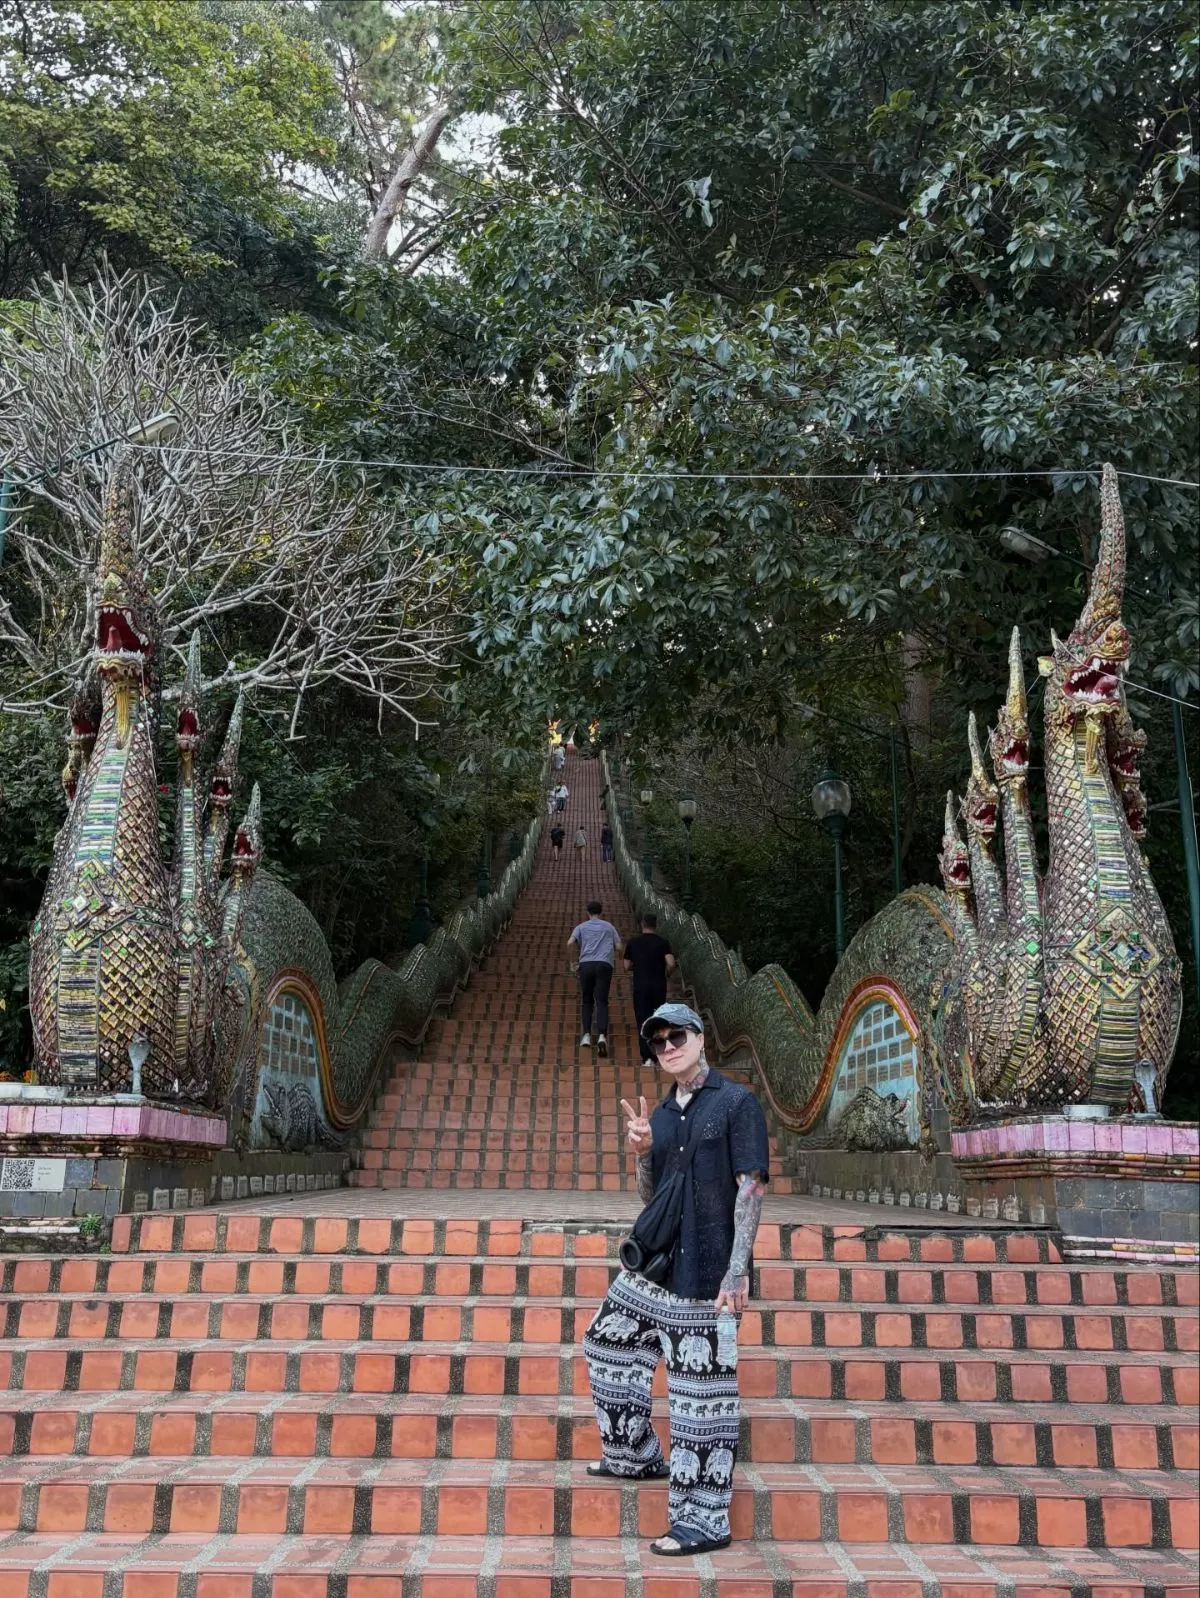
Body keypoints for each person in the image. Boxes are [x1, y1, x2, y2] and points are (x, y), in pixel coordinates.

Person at [582, 1003, 769, 1557]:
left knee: (698, 1398)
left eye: (676, 1035)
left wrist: (737, 1272)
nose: (667, 1046)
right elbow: (652, 1196)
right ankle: (634, 1453)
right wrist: (642, 1152)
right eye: (658, 1041)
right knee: (605, 1342)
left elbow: (751, 1189)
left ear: (700, 1036)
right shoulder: (660, 1114)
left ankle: (702, 1521)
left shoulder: (737, 1103)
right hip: (653, 1267)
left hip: (708, 1273)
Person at [567, 900, 622, 1055]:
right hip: (604, 964)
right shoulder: (609, 927)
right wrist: (618, 957)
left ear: (588, 913)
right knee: (602, 1000)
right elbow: (619, 946)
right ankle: (602, 1036)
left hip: (586, 964)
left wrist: (572, 963)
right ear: (601, 912)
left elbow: (570, 943)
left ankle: (586, 1035)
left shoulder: (581, 927)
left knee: (586, 1000)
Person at [622, 914, 676, 1063]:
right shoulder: (663, 942)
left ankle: (647, 1058)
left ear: (642, 925)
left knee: (643, 1020)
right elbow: (671, 963)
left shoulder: (633, 942)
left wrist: (637, 966)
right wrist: (667, 973)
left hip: (641, 986)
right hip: (659, 985)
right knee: (657, 1019)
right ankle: (658, 1053)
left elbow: (626, 965)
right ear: (655, 925)